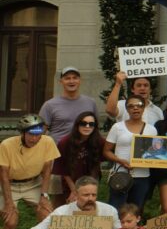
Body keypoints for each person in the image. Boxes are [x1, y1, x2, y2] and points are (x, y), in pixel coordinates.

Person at [1, 114, 60, 229]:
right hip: (10, 184)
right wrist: (8, 203)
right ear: (23, 133)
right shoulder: (7, 145)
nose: (34, 139)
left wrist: (44, 196)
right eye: (31, 135)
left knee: (47, 215)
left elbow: (47, 171)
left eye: (38, 134)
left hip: (34, 182)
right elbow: (4, 176)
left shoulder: (47, 142)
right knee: (10, 220)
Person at [39, 66, 97, 207]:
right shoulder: (50, 105)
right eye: (67, 78)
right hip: (58, 156)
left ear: (80, 81)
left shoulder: (90, 103)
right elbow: (41, 134)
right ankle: (58, 226)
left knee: (86, 195)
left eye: (74, 77)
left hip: (84, 156)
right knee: (60, 198)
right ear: (61, 81)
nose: (71, 81)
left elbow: (94, 128)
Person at [104, 96, 157, 212]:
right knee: (115, 209)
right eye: (131, 106)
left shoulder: (152, 130)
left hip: (142, 176)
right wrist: (120, 161)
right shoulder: (117, 127)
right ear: (126, 109)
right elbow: (106, 151)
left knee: (136, 210)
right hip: (120, 175)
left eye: (139, 105)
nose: (135, 108)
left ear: (144, 108)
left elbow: (155, 152)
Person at [54, 111, 103, 203]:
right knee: (72, 205)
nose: (87, 127)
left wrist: (90, 186)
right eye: (83, 123)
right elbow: (63, 170)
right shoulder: (65, 142)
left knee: (89, 204)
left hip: (91, 179)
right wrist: (74, 190)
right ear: (77, 125)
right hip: (71, 180)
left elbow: (97, 163)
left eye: (91, 124)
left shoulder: (98, 141)